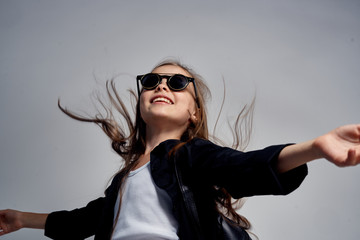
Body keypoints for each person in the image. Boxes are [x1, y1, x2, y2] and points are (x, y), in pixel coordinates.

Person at [0, 60, 359, 240]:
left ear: (194, 113)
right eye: (151, 81)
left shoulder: (189, 154)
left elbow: (244, 167)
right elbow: (83, 221)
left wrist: (314, 147)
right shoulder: (124, 180)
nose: (162, 85)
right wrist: (22, 219)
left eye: (177, 83)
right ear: (141, 100)